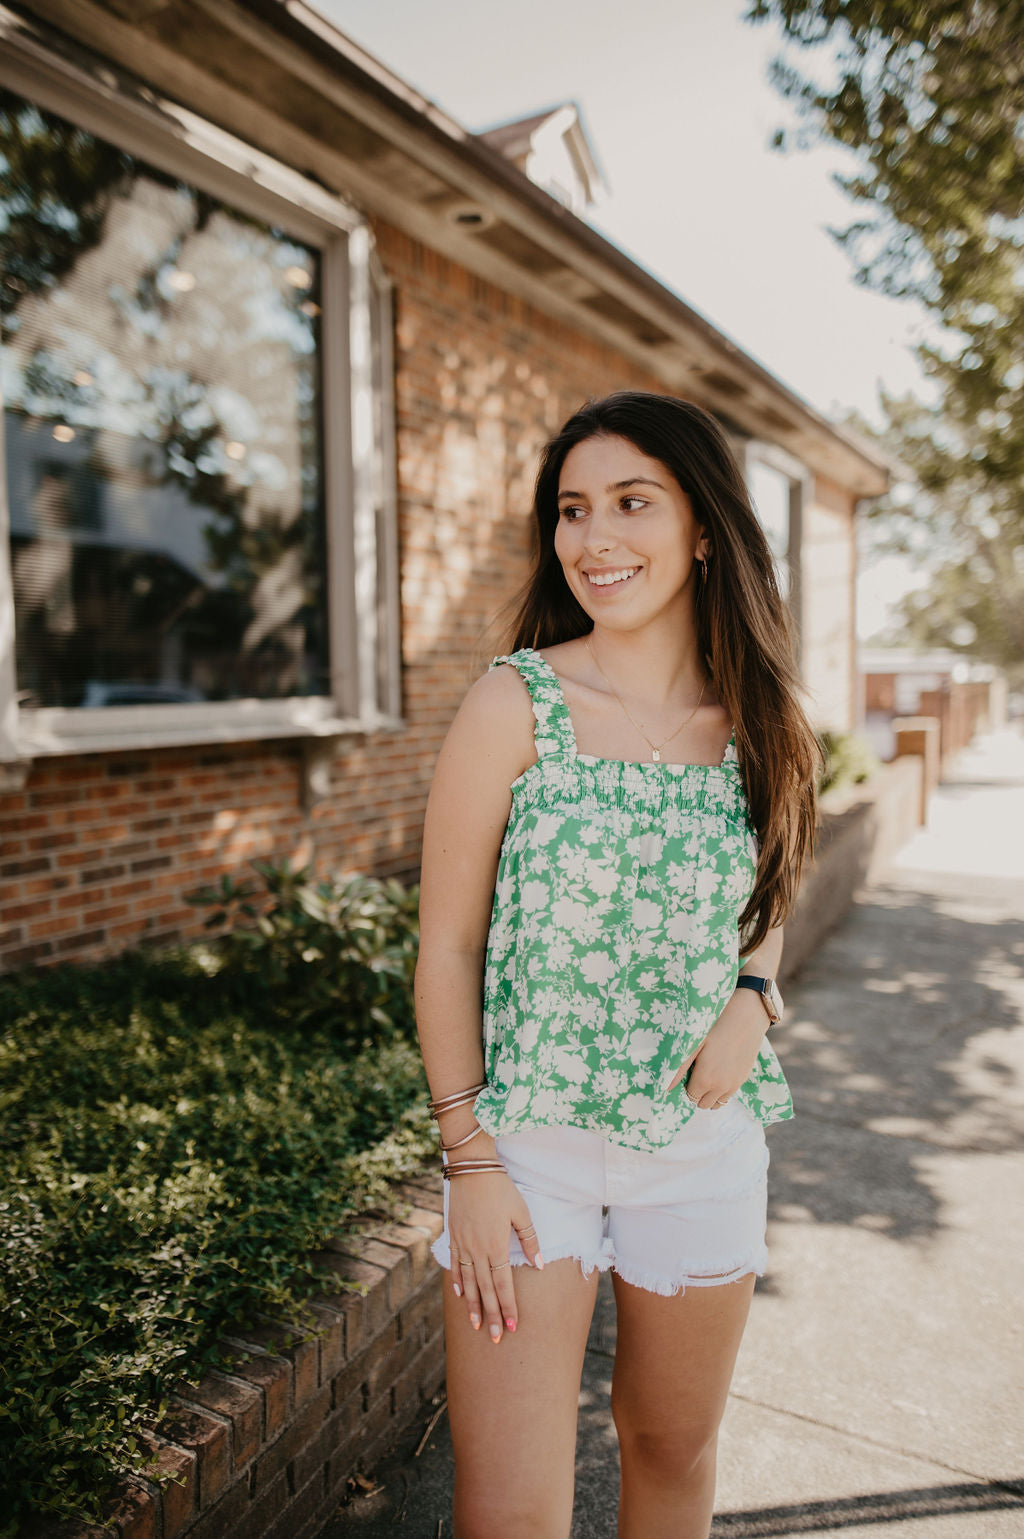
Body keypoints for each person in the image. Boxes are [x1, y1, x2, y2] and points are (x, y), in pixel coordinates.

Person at [414, 391, 819, 1539]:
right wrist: (468, 1158)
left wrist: (752, 993)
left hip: (700, 1150)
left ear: (701, 529)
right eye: (572, 510)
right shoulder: (515, 700)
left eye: (631, 503)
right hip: (525, 1157)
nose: (595, 540)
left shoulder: (763, 717)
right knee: (506, 1513)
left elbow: (771, 875)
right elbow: (444, 944)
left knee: (671, 1448)